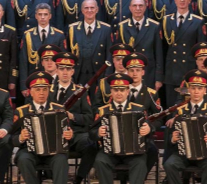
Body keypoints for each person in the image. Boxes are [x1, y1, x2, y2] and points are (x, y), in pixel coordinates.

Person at [12, 71, 75, 184]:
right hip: (29, 151)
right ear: (31, 92)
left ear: (48, 91)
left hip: (54, 151)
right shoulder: (22, 111)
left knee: (61, 159)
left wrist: (70, 135)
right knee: (23, 159)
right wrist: (21, 138)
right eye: (37, 89)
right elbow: (11, 138)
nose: (41, 93)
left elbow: (68, 131)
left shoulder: (59, 110)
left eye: (44, 89)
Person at [163, 70, 207, 184]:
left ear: (205, 91)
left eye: (200, 88)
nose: (196, 91)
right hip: (183, 154)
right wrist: (173, 138)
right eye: (193, 88)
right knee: (169, 164)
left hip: (206, 154)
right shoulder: (180, 110)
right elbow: (170, 134)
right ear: (189, 90)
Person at [92, 73, 151, 184]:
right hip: (109, 152)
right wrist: (98, 133)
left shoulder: (138, 109)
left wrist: (148, 129)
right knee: (100, 161)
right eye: (116, 90)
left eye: (122, 90)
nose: (119, 93)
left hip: (133, 152)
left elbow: (149, 127)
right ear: (111, 92)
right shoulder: (103, 111)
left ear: (127, 91)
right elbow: (91, 132)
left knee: (140, 163)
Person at [47, 52, 96, 184]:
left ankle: (79, 178)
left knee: (91, 144)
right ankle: (50, 175)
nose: (65, 72)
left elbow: (89, 118)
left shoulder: (80, 92)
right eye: (62, 69)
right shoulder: (47, 90)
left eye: (68, 69)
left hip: (75, 134)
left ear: (73, 71)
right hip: (52, 134)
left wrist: (72, 116)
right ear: (56, 70)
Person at [162, 0, 206, 106]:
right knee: (171, 108)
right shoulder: (166, 20)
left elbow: (201, 51)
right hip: (171, 71)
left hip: (188, 70)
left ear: (190, 0)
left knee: (186, 107)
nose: (182, 0)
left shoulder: (197, 21)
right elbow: (162, 49)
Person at [67, 0, 112, 85]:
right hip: (78, 75)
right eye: (86, 8)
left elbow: (109, 55)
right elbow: (68, 53)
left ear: (97, 9)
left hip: (98, 75)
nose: (89, 10)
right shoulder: (73, 29)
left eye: (92, 8)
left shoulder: (106, 29)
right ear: (82, 10)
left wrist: (107, 76)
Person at [19, 4, 66, 81]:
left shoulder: (59, 35)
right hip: (34, 79)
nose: (43, 17)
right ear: (36, 16)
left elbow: (62, 61)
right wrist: (24, 86)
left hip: (54, 79)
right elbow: (23, 62)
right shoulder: (28, 35)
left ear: (50, 16)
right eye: (40, 14)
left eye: (45, 14)